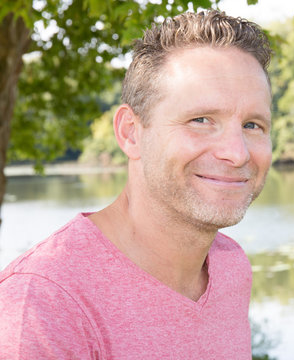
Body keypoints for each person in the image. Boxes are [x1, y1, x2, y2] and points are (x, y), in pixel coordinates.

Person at [0, 10, 273, 359]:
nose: (236, 153)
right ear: (130, 132)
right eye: (201, 120)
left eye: (253, 125)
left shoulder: (230, 267)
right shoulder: (43, 305)